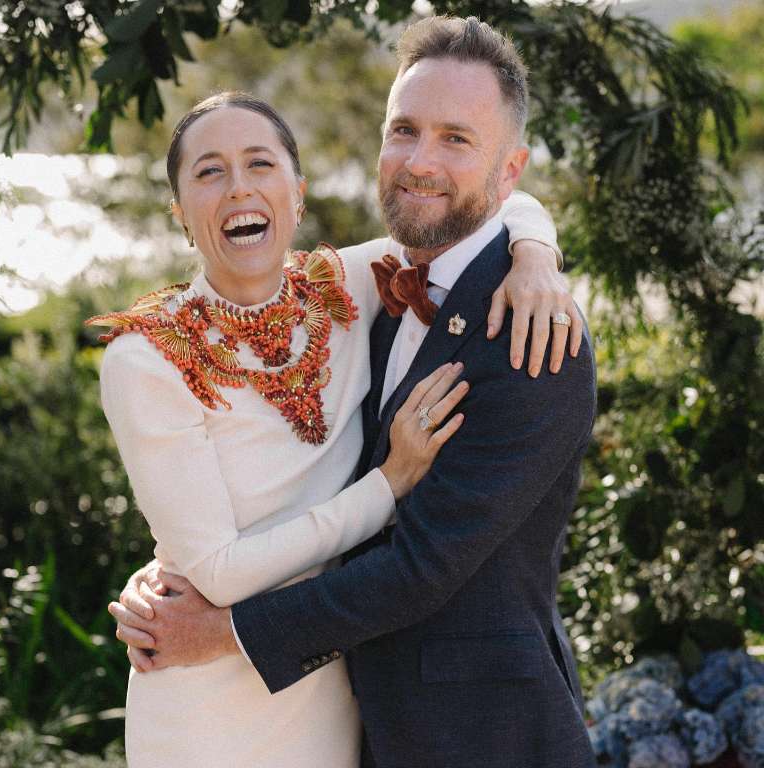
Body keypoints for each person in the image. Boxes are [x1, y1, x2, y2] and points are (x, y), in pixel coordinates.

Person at [94, 80, 575, 766]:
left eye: (261, 163)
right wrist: (388, 483)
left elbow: (489, 202)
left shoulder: (345, 286)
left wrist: (536, 257)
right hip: (203, 696)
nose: (238, 188)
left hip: (330, 693)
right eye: (210, 172)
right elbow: (223, 575)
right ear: (180, 212)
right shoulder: (144, 357)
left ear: (298, 191)